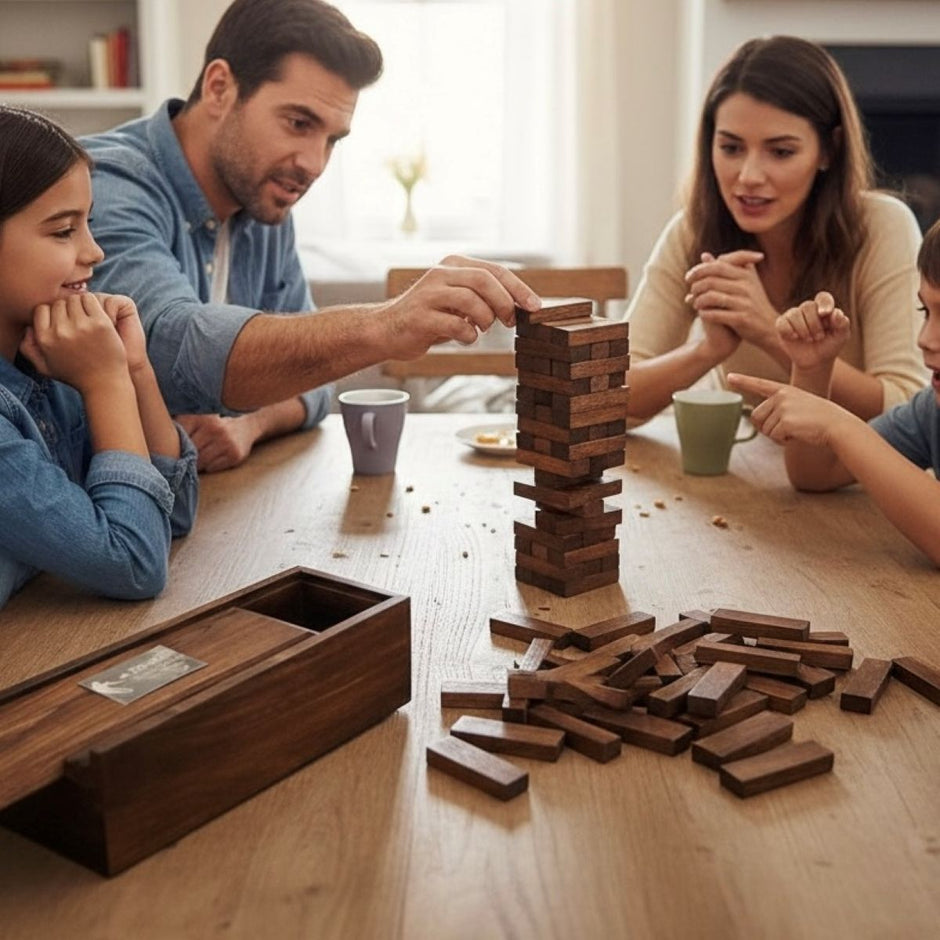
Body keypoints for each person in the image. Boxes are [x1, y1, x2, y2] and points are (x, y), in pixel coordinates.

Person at [82, 0, 540, 473]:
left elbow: (315, 384)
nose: (314, 164)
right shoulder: (104, 184)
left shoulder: (263, 197)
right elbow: (171, 351)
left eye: (332, 140)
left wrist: (251, 422)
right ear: (220, 88)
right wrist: (386, 325)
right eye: (299, 124)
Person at [625, 35, 926, 425]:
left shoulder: (883, 226)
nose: (748, 177)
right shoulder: (693, 231)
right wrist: (705, 349)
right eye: (731, 148)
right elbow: (608, 399)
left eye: (781, 152)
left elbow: (905, 409)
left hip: (857, 483)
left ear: (829, 150)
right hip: (749, 473)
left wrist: (769, 330)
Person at [0, 106, 198, 609]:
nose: (95, 252)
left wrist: (133, 369)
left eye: (88, 224)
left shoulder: (53, 356)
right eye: (64, 231)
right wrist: (107, 382)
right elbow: (134, 561)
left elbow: (171, 514)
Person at [728, 215, 940, 567]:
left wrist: (841, 425)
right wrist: (813, 369)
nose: (925, 339)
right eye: (926, 311)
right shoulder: (930, 412)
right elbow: (814, 474)